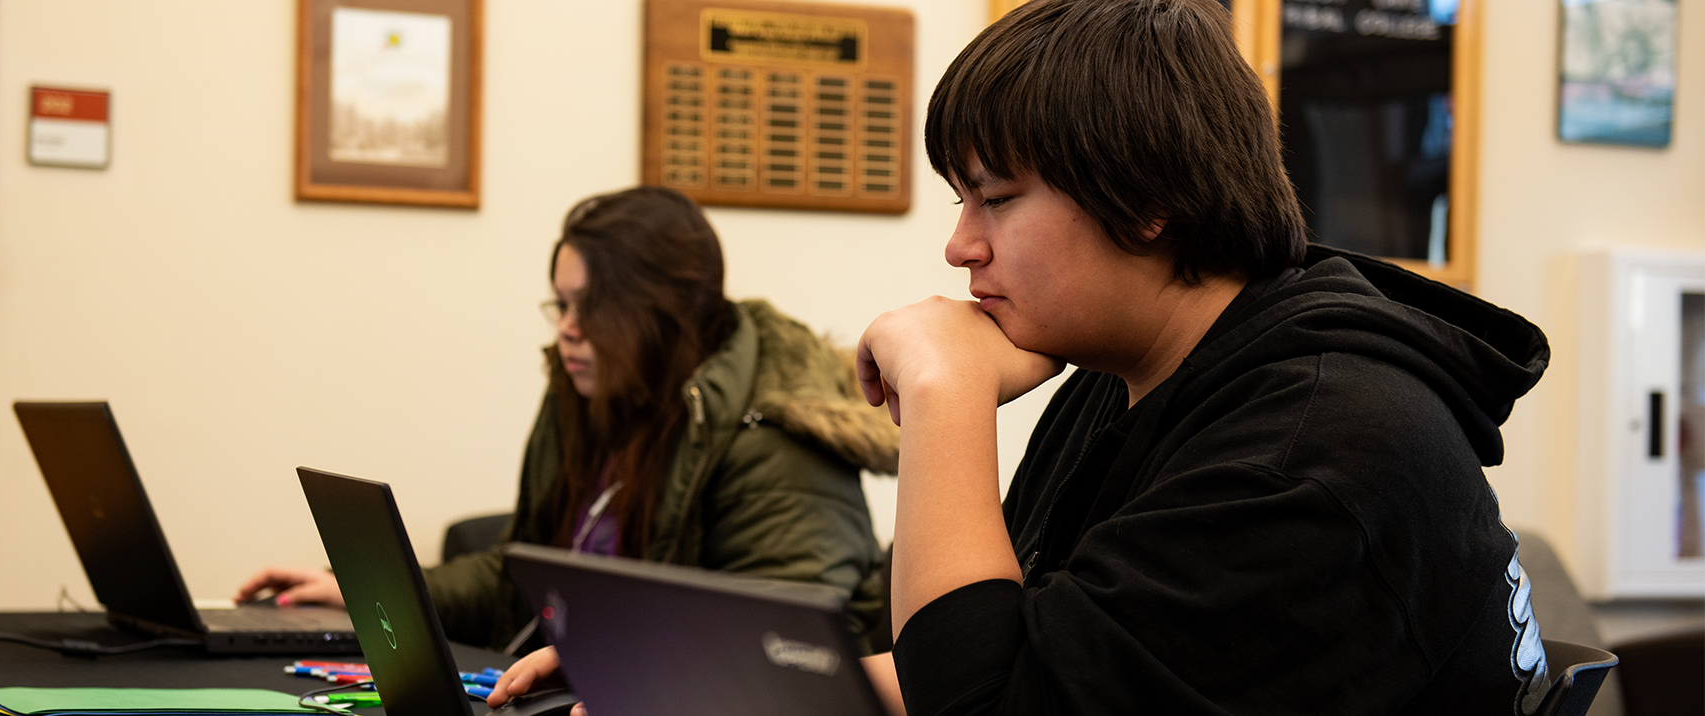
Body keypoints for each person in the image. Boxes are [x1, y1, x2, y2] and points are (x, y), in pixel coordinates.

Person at [492, 0, 1553, 714]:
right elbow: (1031, 654)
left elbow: (985, 704)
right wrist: (691, 680)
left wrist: (944, 388)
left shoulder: (1309, 454)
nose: (959, 247)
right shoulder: (1137, 373)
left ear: (1146, 199)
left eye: (995, 198)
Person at [237, 186, 894, 657]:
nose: (568, 331)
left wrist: (613, 663)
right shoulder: (590, 394)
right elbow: (522, 575)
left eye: (590, 308)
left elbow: (788, 651)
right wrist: (373, 593)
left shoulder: (772, 437)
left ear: (660, 315)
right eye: (562, 306)